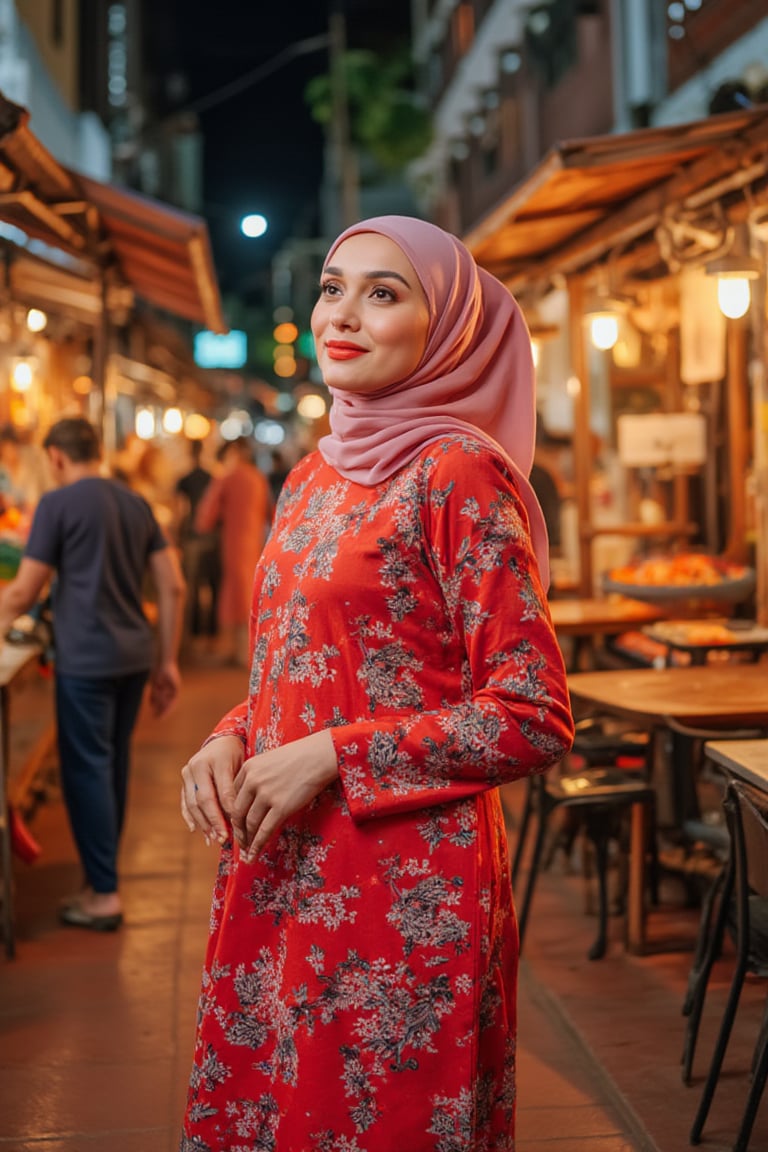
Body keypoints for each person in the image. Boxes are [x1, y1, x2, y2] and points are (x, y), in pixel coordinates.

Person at [178, 216, 574, 1150]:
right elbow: (301, 662)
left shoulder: (458, 475)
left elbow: (532, 712)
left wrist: (329, 756)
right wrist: (230, 734)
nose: (342, 315)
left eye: (383, 293)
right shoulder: (312, 475)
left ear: (444, 329)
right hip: (281, 866)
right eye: (331, 287)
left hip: (401, 892)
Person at [0, 417, 186, 931]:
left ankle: (104, 893)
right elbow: (172, 586)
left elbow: (22, 592)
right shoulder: (135, 502)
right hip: (132, 658)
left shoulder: (56, 505)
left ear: (56, 457)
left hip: (84, 661)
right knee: (111, 766)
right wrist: (166, 660)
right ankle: (98, 881)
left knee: (87, 771)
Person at [193, 435, 272, 667]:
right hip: (256, 543)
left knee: (233, 592)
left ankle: (234, 649)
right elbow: (273, 512)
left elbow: (204, 518)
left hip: (232, 541)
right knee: (249, 590)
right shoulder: (258, 478)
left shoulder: (226, 478)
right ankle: (247, 650)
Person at [173, 438, 220, 649]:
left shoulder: (184, 479)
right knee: (211, 586)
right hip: (211, 537)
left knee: (191, 587)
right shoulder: (212, 478)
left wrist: (176, 536)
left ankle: (191, 636)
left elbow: (179, 511)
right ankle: (209, 636)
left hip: (192, 537)